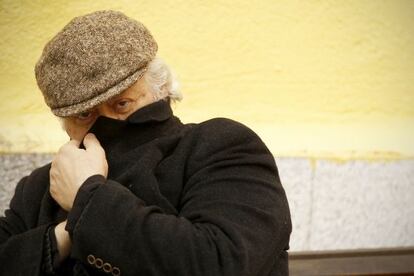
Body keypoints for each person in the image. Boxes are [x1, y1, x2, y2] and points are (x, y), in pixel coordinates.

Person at [0, 10, 291, 276]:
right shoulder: (43, 185)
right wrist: (62, 236)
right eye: (85, 114)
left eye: (122, 104)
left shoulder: (219, 147)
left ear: (160, 88)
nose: (107, 124)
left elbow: (222, 263)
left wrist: (86, 201)